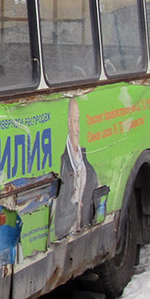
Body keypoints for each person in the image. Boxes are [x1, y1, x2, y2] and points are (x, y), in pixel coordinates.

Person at [53, 98, 98, 240]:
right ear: (68, 123)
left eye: (78, 121)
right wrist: (77, 207)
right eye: (74, 121)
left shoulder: (85, 163)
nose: (77, 128)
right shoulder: (63, 165)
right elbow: (59, 224)